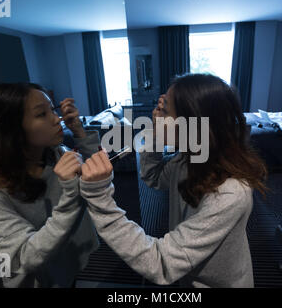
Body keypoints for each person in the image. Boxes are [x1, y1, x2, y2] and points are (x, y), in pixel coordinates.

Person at [78, 73, 268, 287]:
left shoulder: (229, 194)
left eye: (165, 111)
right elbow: (154, 177)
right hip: (189, 275)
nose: (157, 116)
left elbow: (161, 263)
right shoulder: (189, 158)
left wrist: (99, 198)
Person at [0, 82, 100, 287]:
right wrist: (70, 195)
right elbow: (25, 255)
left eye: (52, 109)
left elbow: (97, 174)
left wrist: (79, 131)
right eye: (42, 114)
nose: (57, 119)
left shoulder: (56, 153)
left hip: (70, 263)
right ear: (10, 128)